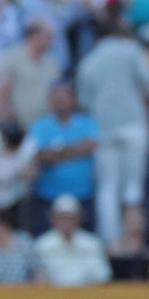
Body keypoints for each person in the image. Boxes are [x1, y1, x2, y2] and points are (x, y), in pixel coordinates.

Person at [75, 14, 149, 244]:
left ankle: (111, 240)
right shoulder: (130, 50)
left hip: (103, 128)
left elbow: (84, 103)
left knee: (108, 187)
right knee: (133, 186)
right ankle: (133, 239)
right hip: (133, 124)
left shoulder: (87, 61)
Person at [28, 82, 99, 234]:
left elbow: (91, 146)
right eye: (56, 98)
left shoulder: (87, 122)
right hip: (48, 196)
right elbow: (41, 155)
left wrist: (57, 152)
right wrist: (76, 149)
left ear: (73, 99)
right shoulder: (41, 124)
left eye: (64, 98)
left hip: (82, 194)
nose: (60, 102)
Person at [0, 18, 61, 127]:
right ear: (35, 36)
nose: (52, 41)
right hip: (19, 125)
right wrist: (8, 119)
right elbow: (0, 92)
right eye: (48, 36)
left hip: (46, 126)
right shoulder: (12, 58)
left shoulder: (51, 62)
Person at [34, 195, 111, 286]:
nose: (66, 222)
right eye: (62, 218)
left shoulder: (92, 243)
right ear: (54, 219)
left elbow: (104, 275)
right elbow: (39, 277)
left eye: (70, 218)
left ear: (78, 219)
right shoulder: (43, 244)